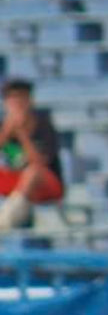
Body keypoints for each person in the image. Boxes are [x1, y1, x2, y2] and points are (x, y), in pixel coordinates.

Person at [0, 79, 64, 232]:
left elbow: (40, 163)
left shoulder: (43, 124)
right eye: (12, 99)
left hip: (46, 185)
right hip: (16, 182)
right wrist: (7, 132)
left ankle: (5, 220)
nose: (17, 104)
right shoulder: (3, 126)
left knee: (32, 171)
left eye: (21, 98)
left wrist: (22, 134)